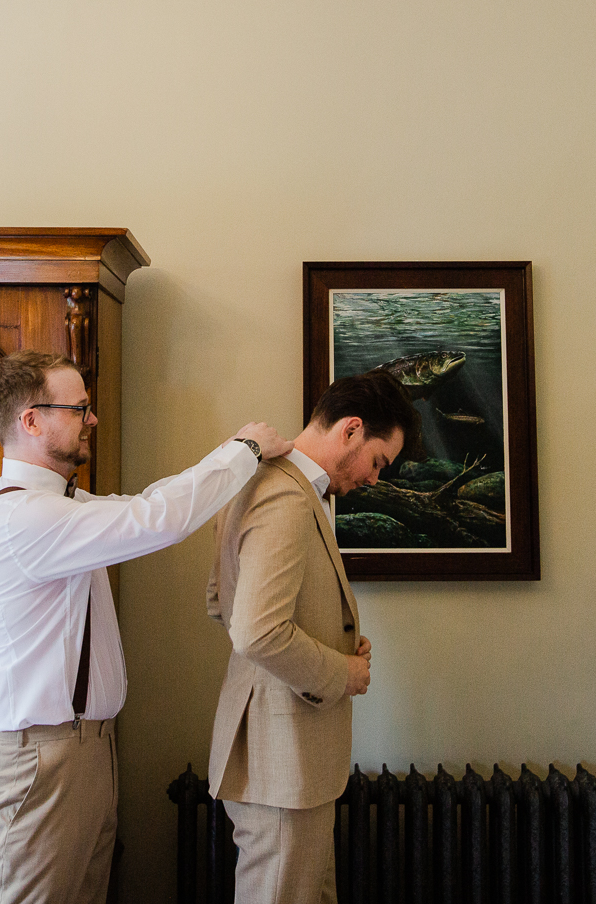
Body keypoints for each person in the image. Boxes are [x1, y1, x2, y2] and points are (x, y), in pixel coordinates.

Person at [0, 349, 289, 904]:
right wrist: (245, 450)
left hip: (84, 755)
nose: (92, 419)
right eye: (79, 408)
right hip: (39, 764)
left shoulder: (64, 507)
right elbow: (156, 519)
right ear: (31, 420)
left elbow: (147, 506)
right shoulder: (25, 516)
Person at [205, 371, 416, 904]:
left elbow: (222, 602)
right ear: (351, 429)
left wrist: (334, 642)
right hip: (281, 764)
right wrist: (341, 670)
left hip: (283, 762)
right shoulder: (286, 497)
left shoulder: (260, 481)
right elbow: (257, 631)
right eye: (378, 462)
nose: (374, 480)